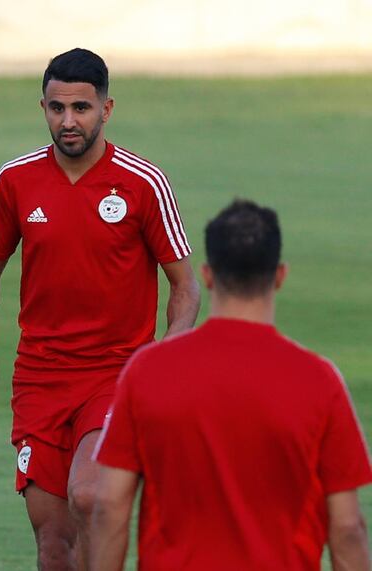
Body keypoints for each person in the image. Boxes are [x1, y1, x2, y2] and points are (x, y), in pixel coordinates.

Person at [0, 48, 200, 569]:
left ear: (106, 109)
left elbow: (185, 286)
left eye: (81, 108)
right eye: (56, 108)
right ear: (43, 107)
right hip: (40, 380)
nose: (67, 121)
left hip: (117, 374)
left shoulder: (144, 183)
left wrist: (169, 352)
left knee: (91, 496)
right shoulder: (15, 181)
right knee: (53, 544)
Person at [90, 200, 372, 571]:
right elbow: (348, 527)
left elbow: (110, 506)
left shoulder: (147, 371)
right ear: (280, 276)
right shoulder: (320, 380)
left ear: (207, 275)